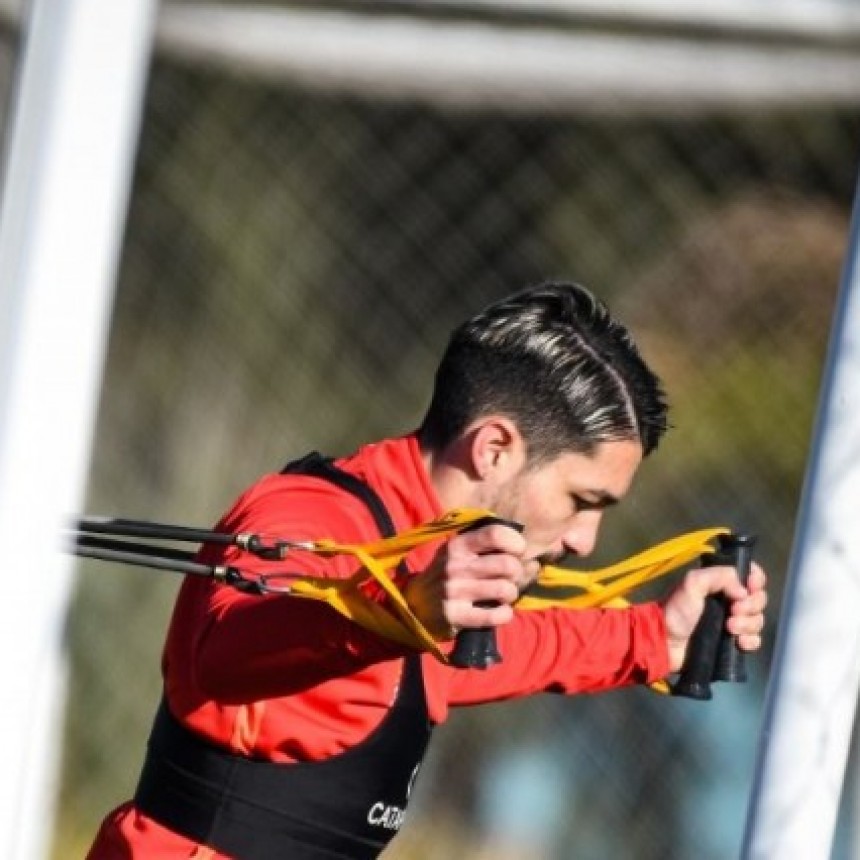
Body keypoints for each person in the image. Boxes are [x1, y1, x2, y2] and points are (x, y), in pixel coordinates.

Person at [86, 281, 767, 860]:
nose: (586, 540)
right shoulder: (313, 514)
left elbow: (503, 651)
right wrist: (392, 610)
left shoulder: (429, 561)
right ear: (494, 448)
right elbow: (226, 650)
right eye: (581, 501)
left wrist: (658, 641)